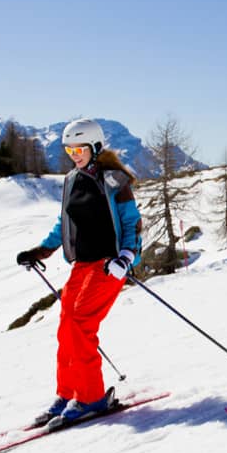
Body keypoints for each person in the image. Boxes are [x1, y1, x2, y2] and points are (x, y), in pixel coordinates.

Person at [16, 118, 143, 425]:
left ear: (95, 147)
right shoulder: (72, 179)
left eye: (80, 148)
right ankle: (69, 392)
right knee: (65, 328)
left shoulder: (115, 180)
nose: (74, 154)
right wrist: (42, 250)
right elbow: (65, 223)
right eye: (69, 149)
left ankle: (91, 398)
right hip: (82, 265)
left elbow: (132, 223)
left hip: (108, 266)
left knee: (81, 324)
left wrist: (127, 257)